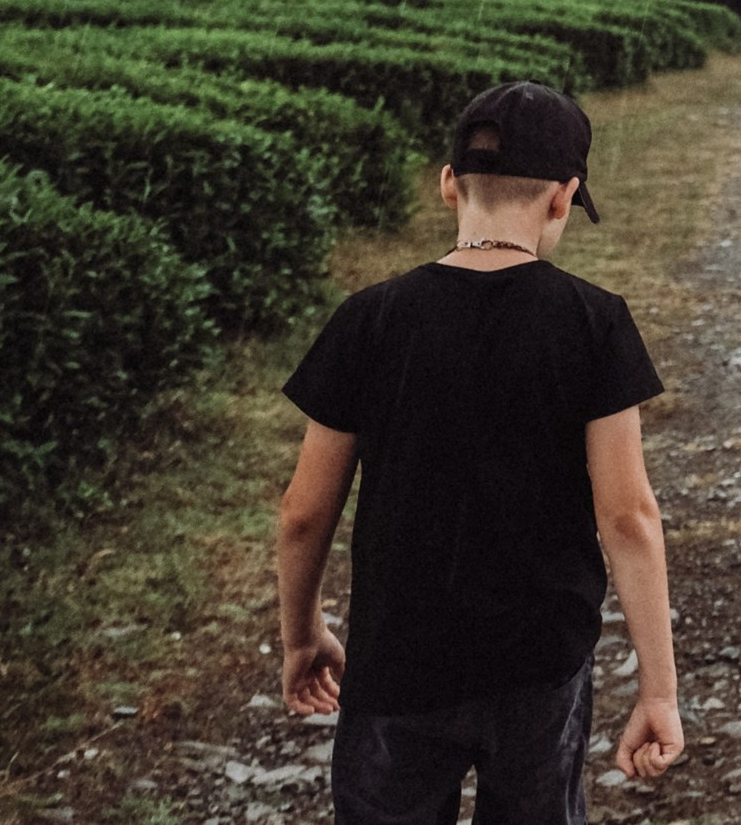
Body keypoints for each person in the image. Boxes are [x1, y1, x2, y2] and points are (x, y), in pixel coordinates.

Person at [274, 82, 684, 824]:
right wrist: (658, 692)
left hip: (397, 659)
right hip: (538, 667)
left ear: (446, 184)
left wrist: (302, 632)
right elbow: (628, 516)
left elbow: (304, 512)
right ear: (564, 198)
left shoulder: (370, 318)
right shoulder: (595, 322)